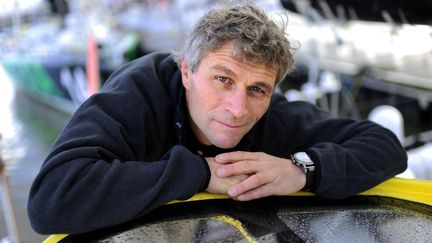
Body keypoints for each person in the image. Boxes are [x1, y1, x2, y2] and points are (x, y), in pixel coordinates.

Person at [27, 3, 407, 235]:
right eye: (222, 79)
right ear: (187, 72)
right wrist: (203, 173)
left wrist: (302, 169)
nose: (238, 108)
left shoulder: (269, 114)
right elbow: (51, 201)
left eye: (258, 89)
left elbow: (385, 146)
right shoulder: (138, 94)